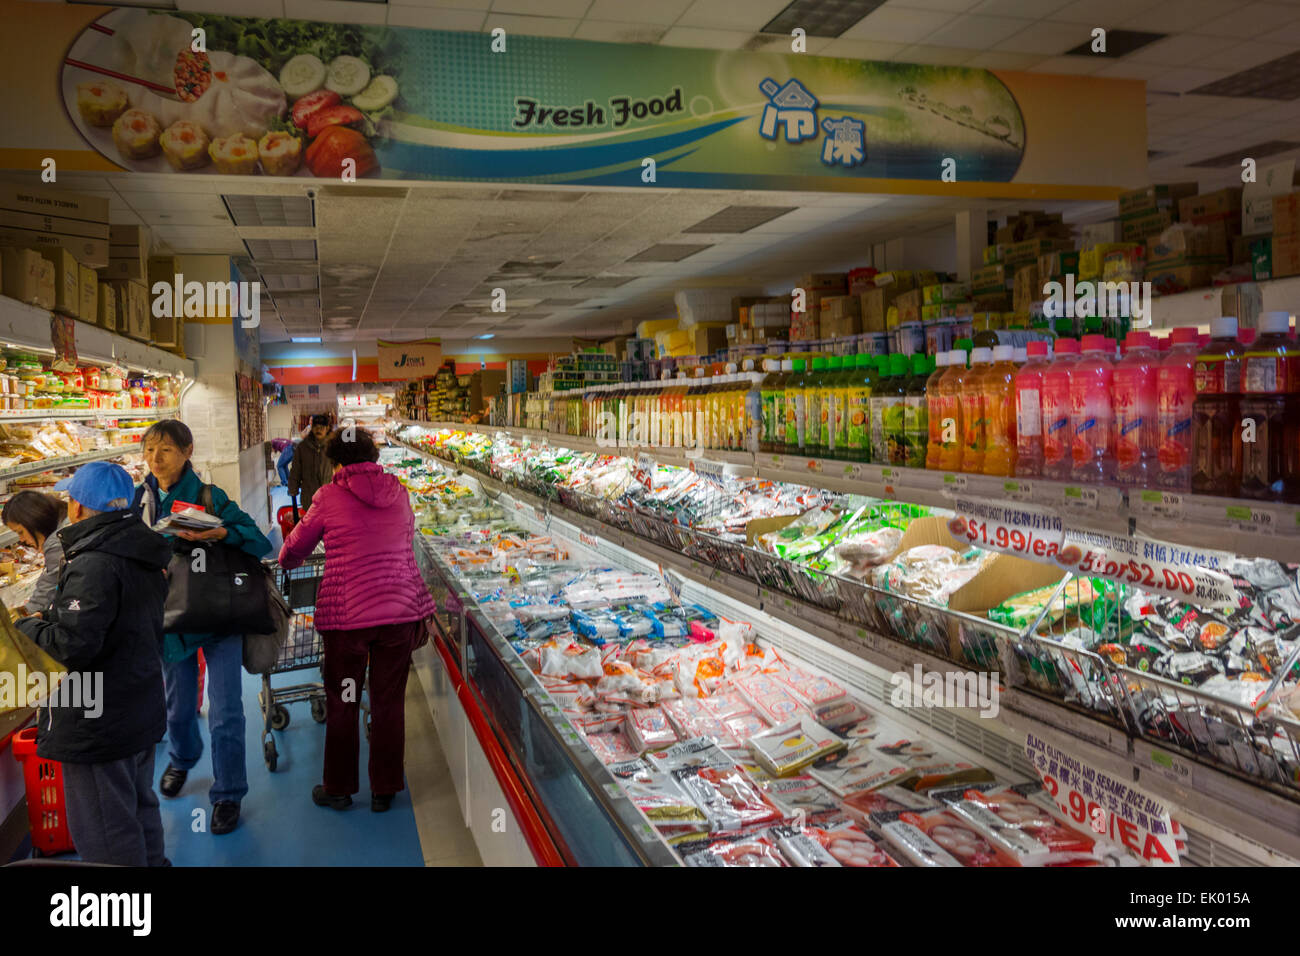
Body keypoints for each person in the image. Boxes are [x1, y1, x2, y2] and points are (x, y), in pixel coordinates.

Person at [17, 462, 173, 866]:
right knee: (139, 806)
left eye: (72, 498)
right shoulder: (139, 547)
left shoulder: (94, 561)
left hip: (98, 719)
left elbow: (72, 645)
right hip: (135, 703)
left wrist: (26, 628)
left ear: (81, 509)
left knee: (104, 828)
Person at [279, 427, 434, 812]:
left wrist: (288, 563)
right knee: (387, 700)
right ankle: (385, 788)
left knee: (345, 697)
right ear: (375, 456)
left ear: (335, 461)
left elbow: (294, 548)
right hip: (399, 613)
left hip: (348, 621)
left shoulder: (328, 496)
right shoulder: (399, 491)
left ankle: (339, 788)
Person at [134, 420, 272, 836]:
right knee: (177, 704)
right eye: (149, 451)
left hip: (217, 612)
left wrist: (222, 531)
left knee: (227, 709)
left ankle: (228, 793)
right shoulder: (138, 498)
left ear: (187, 451)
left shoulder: (209, 495)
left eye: (166, 451)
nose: (156, 460)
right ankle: (182, 756)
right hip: (169, 616)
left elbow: (260, 541)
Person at [2, 490, 69, 616]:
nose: (21, 540)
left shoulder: (57, 542)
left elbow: (48, 587)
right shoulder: (63, 525)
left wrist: (24, 615)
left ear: (33, 521)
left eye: (20, 532)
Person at [289, 414, 333, 512]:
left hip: (330, 496)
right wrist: (293, 488)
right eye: (316, 427)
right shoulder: (302, 447)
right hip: (309, 497)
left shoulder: (333, 447)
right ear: (312, 428)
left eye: (322, 427)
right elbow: (296, 470)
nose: (319, 430)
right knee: (312, 525)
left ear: (327, 428)